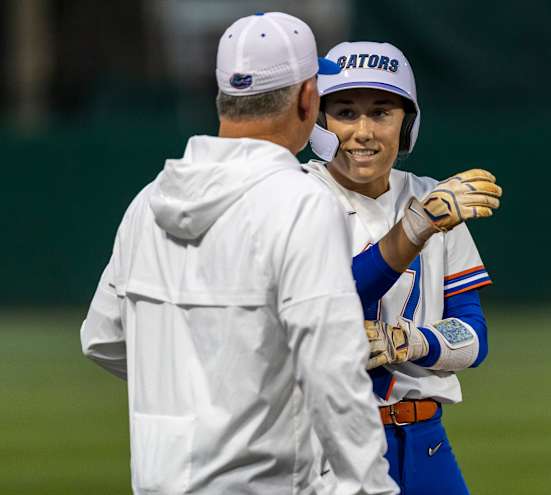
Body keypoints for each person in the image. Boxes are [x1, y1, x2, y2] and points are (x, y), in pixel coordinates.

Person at [80, 14, 398, 495]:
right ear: (307, 97)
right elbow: (332, 368)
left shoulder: (150, 201)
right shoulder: (302, 203)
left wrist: (196, 402)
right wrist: (373, 487)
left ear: (225, 97)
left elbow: (101, 337)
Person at [305, 41, 502, 494]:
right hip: (330, 446)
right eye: (346, 112)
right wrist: (417, 227)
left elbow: (475, 337)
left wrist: (413, 340)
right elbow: (329, 297)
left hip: (425, 439)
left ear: (407, 124)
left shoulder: (432, 194)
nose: (364, 131)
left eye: (381, 112)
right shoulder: (298, 197)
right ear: (319, 121)